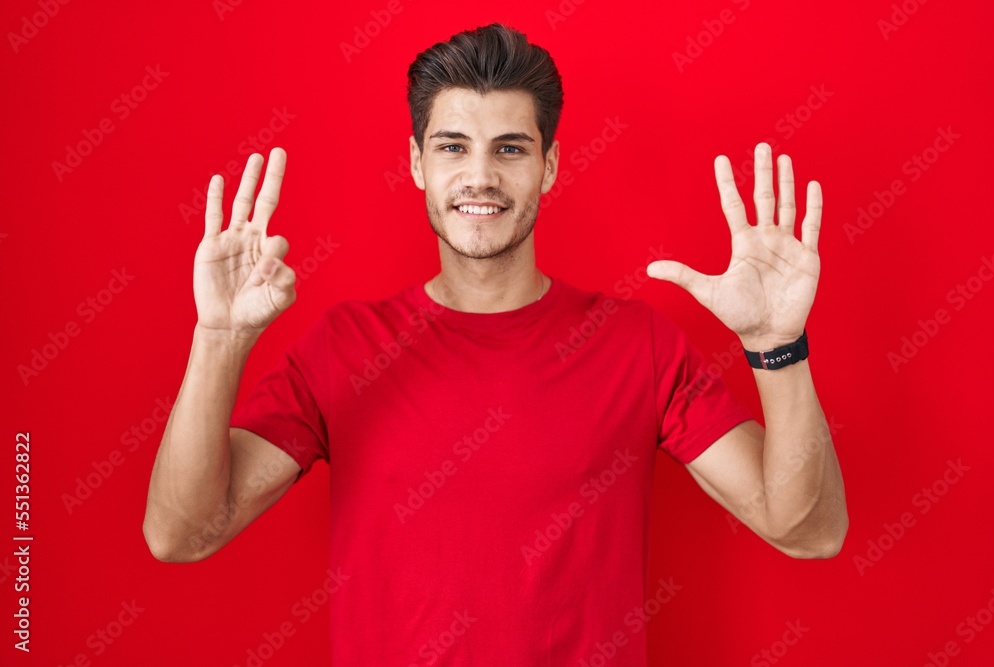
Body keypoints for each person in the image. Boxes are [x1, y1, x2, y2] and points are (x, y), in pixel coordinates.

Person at [143, 23, 847, 664]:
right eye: (454, 146)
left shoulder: (638, 345)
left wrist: (777, 346)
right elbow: (182, 533)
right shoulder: (345, 348)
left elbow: (807, 529)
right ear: (417, 163)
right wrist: (219, 339)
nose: (480, 175)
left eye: (510, 148)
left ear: (549, 166)